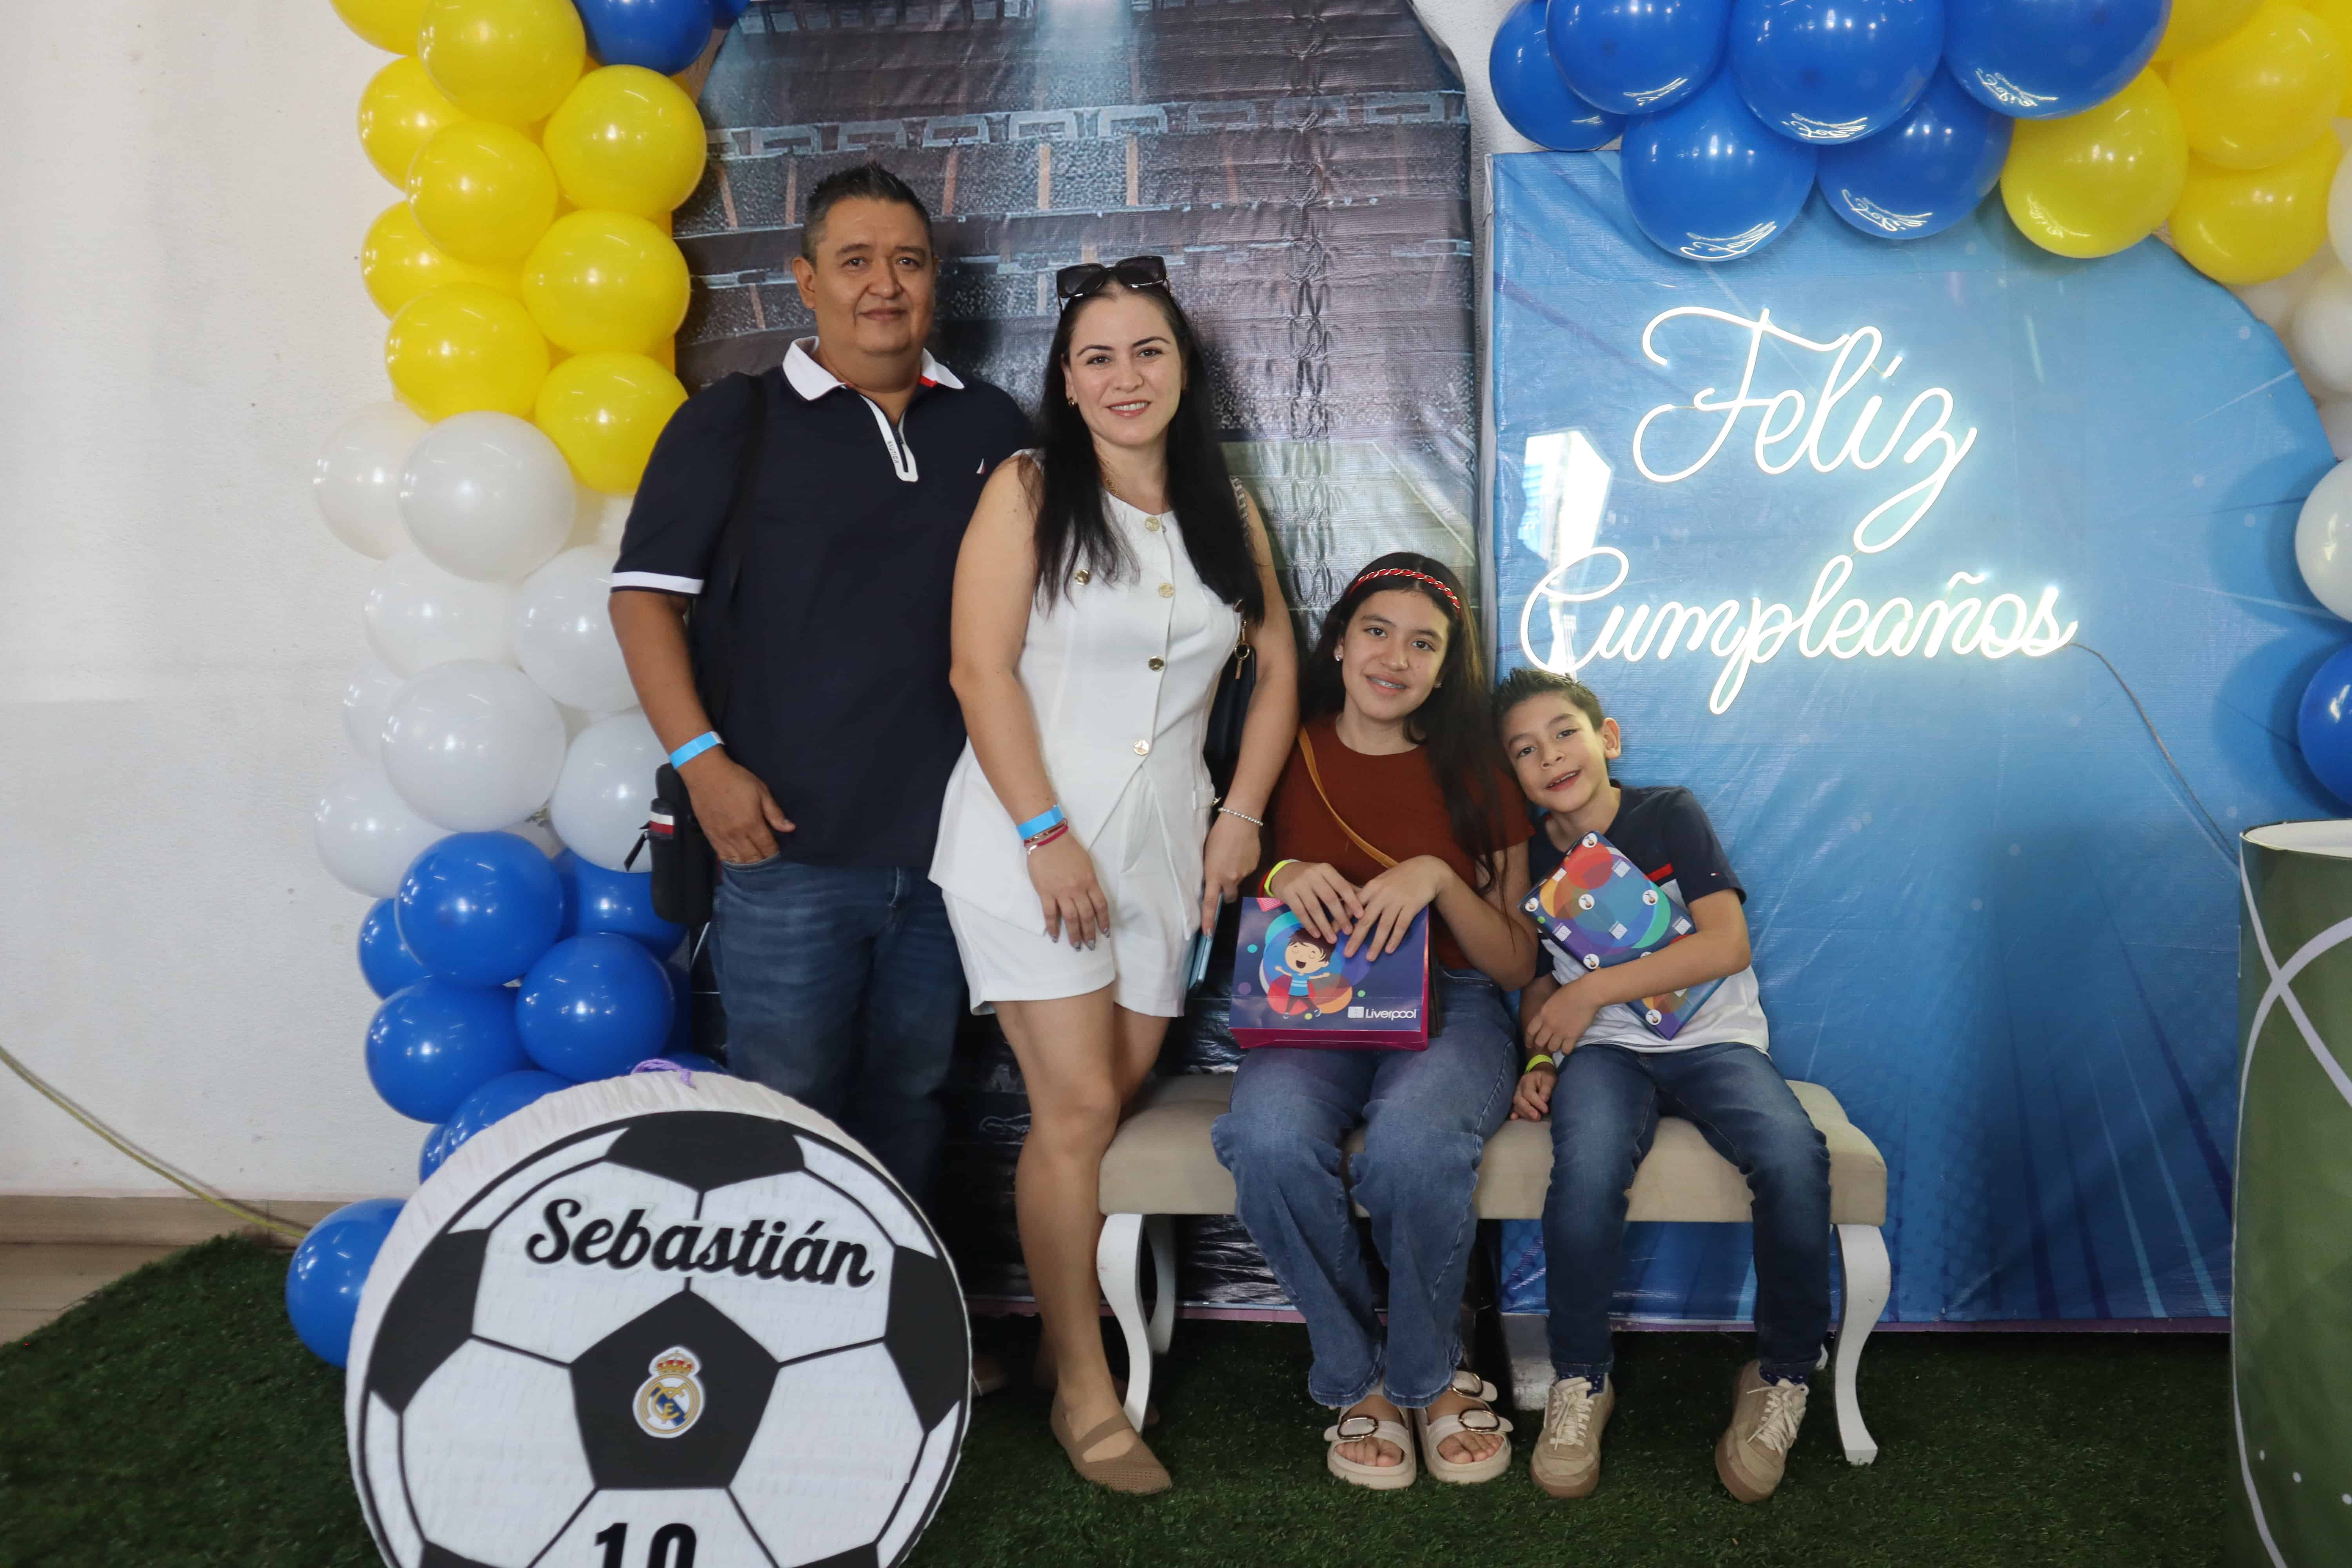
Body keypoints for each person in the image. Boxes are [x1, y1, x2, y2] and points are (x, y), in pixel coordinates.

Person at [932, 255, 1298, 1493]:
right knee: (1080, 1108)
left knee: (1111, 1100)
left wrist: (1241, 815)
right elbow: (979, 671)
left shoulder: (1223, 507)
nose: (1125, 377)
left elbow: (1279, 669)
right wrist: (1045, 835)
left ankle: (1057, 1341)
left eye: (1148, 351)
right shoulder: (1029, 489)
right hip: (1030, 841)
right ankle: (1083, 1388)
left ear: (1184, 370)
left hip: (1167, 852)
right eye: (1098, 357)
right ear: (1068, 380)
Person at [607, 164, 1029, 1214]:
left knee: (913, 1100)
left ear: (933, 281)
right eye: (855, 261)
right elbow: (643, 601)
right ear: (806, 280)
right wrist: (704, 765)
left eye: (908, 262)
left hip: (950, 850)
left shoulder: (992, 427)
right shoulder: (735, 420)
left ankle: (896, 1314)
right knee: (786, 1111)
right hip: (786, 851)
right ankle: (779, 1315)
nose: (884, 284)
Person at [1211, 553, 1539, 1491]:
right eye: (1378, 632)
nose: (1396, 657)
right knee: (1266, 1137)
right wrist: (1281, 875)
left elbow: (1515, 962)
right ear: (1340, 642)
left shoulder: (1476, 770)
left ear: (1445, 668)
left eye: (1423, 644)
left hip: (1454, 1005)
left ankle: (1428, 1375)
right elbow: (1231, 875)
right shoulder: (1287, 749)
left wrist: (1437, 877)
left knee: (1415, 1144)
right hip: (1312, 1007)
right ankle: (1359, 1377)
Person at [1495, 666, 1831, 1504]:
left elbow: (1726, 945)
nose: (1550, 755)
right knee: (1585, 1169)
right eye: (1525, 750)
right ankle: (1581, 1377)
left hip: (1714, 1042)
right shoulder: (1529, 857)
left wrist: (1591, 991)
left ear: (1607, 739)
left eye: (1564, 733)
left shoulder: (1669, 813)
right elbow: (1539, 983)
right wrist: (1540, 1060)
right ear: (1514, 775)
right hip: (1605, 1053)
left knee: (1793, 1156)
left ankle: (1781, 1374)